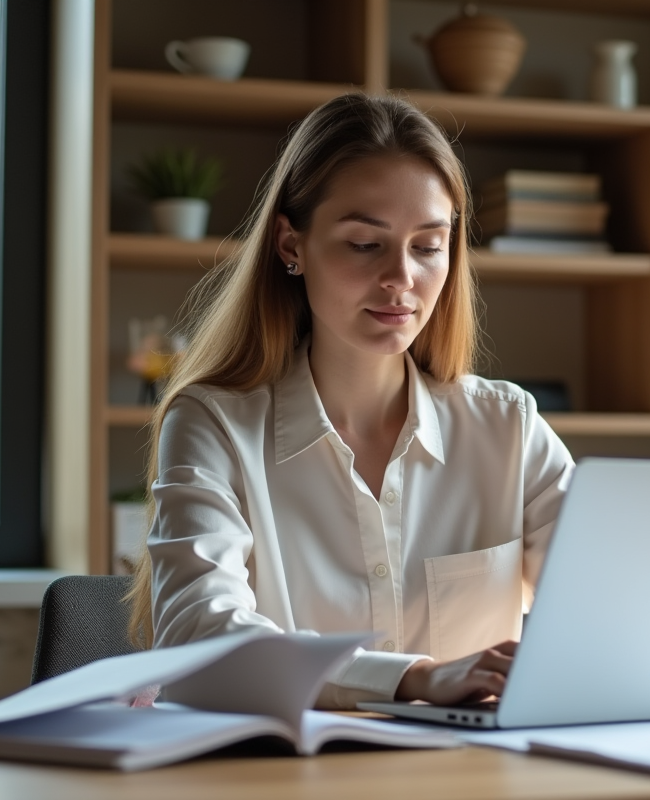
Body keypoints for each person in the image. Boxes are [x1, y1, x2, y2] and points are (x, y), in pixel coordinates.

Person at [126, 93, 574, 710]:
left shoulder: (507, 425)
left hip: (472, 764)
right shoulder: (214, 423)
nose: (401, 279)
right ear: (291, 244)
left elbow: (609, 606)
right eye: (365, 244)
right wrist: (413, 678)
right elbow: (197, 642)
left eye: (428, 246)